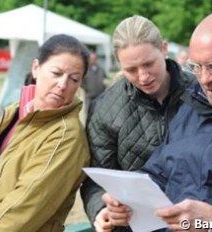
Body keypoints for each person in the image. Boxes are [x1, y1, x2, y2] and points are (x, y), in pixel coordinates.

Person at [102, 11, 212, 232]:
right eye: (196, 67)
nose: (205, 79)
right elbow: (158, 174)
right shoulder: (191, 106)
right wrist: (126, 199)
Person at [80, 15, 193, 231]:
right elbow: (95, 179)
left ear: (164, 49)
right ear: (118, 64)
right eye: (131, 70)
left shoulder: (201, 94)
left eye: (149, 64)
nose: (143, 77)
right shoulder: (105, 108)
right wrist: (102, 209)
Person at [0, 34, 90, 232]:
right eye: (56, 73)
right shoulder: (12, 113)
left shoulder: (65, 136)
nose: (62, 85)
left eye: (73, 79)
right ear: (36, 68)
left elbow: (21, 212)